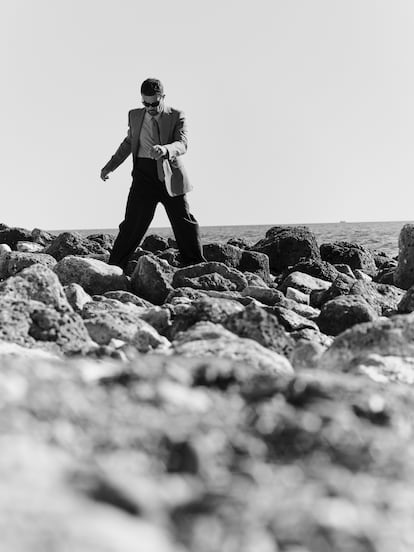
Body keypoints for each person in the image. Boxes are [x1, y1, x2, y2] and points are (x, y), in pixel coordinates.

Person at [100, 78, 206, 270]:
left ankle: (195, 267)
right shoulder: (134, 115)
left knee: (184, 223)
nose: (150, 107)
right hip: (142, 175)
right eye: (145, 103)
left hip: (168, 174)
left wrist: (165, 150)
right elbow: (128, 144)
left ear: (162, 97)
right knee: (132, 223)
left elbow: (182, 144)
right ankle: (115, 266)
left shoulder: (176, 116)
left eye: (154, 103)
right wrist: (110, 166)